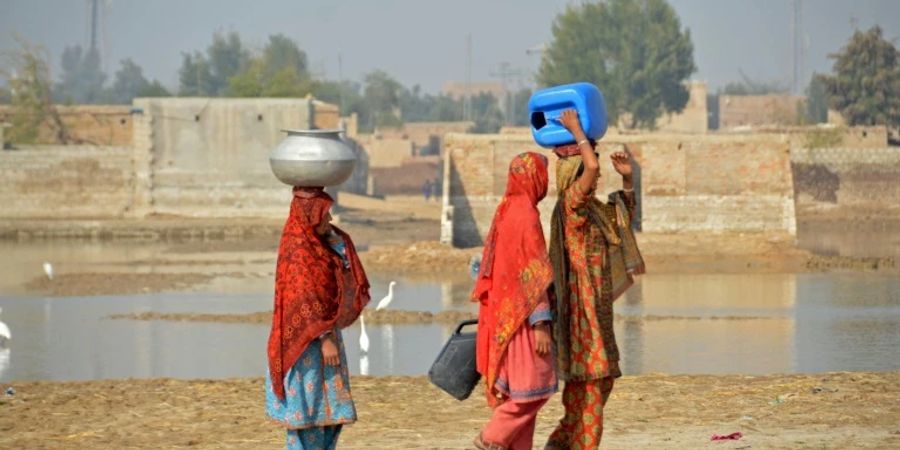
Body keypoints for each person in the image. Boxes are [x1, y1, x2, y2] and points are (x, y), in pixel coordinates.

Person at [545, 110, 645, 450]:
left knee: (596, 390)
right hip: (582, 318)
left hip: (598, 312)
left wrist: (628, 181)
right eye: (590, 170)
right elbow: (591, 168)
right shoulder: (571, 205)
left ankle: (559, 445)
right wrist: (577, 132)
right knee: (589, 394)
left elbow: (623, 219)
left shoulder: (594, 212)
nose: (598, 176)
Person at [266, 186, 370, 450]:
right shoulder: (299, 250)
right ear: (311, 216)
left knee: (329, 415)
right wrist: (324, 339)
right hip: (306, 347)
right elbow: (305, 297)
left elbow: (344, 261)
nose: (330, 220)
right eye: (325, 215)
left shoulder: (319, 245)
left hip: (325, 340)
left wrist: (331, 235)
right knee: (308, 416)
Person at [471, 152, 558, 450]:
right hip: (523, 319)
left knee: (518, 392)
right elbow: (531, 274)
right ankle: (491, 438)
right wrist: (541, 323)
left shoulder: (506, 209)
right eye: (543, 173)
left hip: (503, 317)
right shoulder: (525, 215)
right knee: (533, 391)